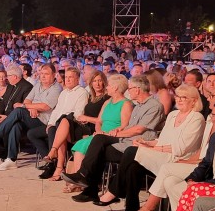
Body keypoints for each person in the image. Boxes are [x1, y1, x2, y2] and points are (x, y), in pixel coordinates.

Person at [95, 84, 205, 211]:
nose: (179, 100)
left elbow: (180, 148)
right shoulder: (173, 115)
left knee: (131, 151)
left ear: (194, 100)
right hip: (160, 155)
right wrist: (146, 143)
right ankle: (131, 210)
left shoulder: (196, 118)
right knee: (133, 166)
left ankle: (114, 190)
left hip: (177, 159)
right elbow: (162, 139)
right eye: (177, 96)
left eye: (184, 97)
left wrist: (151, 148)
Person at [62, 75, 165, 203]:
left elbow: (139, 130)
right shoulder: (138, 105)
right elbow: (127, 126)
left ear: (137, 89)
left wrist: (117, 134)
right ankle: (86, 181)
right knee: (98, 142)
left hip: (137, 145)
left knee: (98, 148)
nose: (128, 91)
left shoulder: (154, 106)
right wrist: (119, 130)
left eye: (130, 88)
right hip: (126, 141)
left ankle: (87, 182)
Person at [0, 63, 63, 171]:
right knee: (16, 125)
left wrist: (27, 106)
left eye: (47, 74)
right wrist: (31, 108)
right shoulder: (38, 85)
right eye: (42, 74)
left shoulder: (56, 88)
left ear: (54, 75)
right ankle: (11, 160)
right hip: (32, 116)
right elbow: (27, 100)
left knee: (19, 111)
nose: (43, 76)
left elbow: (45, 106)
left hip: (44, 121)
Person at [62, 74, 132, 190]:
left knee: (87, 144)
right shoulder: (107, 102)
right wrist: (98, 131)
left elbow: (125, 126)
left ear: (115, 88)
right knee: (80, 145)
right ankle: (80, 179)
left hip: (113, 136)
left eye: (108, 85)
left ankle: (82, 179)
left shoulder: (126, 104)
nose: (106, 87)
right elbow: (99, 121)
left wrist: (105, 134)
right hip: (100, 135)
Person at [32, 68, 90, 180]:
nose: (67, 80)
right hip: (60, 123)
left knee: (60, 124)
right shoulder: (63, 93)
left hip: (75, 125)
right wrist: (50, 123)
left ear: (77, 79)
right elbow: (56, 111)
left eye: (70, 77)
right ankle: (53, 159)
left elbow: (78, 113)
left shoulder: (82, 92)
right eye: (66, 77)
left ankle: (57, 164)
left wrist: (59, 121)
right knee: (34, 133)